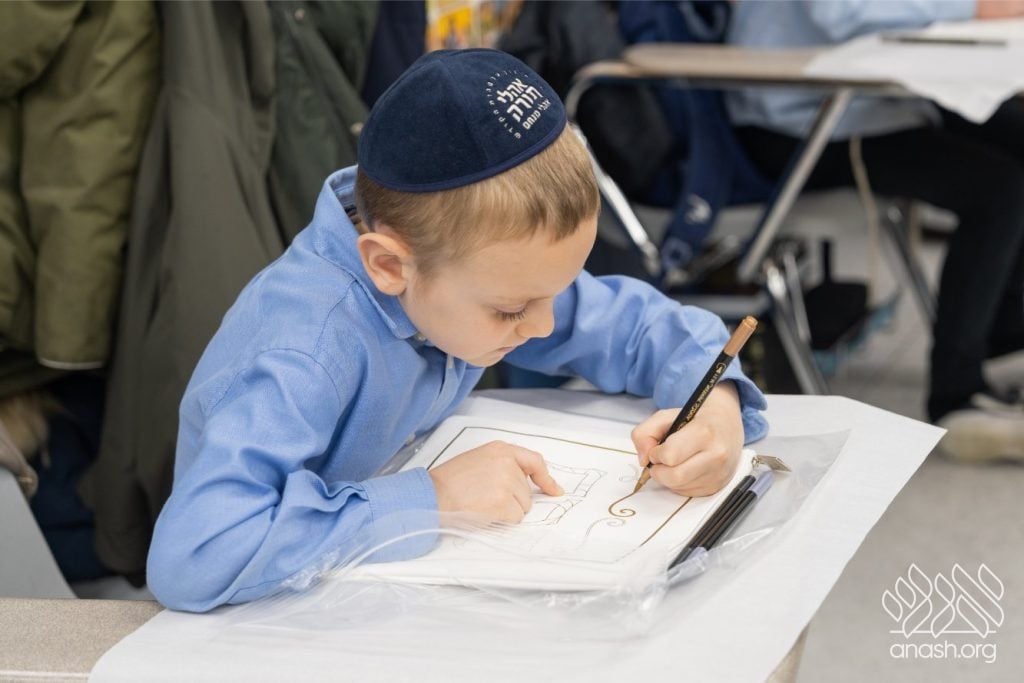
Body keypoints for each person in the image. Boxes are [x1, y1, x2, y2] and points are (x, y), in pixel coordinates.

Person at [145, 49, 769, 612]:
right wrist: (434, 500)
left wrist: (715, 408)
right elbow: (196, 556)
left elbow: (637, 327)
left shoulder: (462, 261)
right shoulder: (303, 351)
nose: (547, 325)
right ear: (388, 266)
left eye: (554, 292)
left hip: (392, 589)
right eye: (512, 310)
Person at [726, 0, 1024, 461]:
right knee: (999, 190)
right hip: (798, 118)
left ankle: (1002, 340)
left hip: (867, 98)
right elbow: (842, 12)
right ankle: (957, 395)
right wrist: (978, 7)